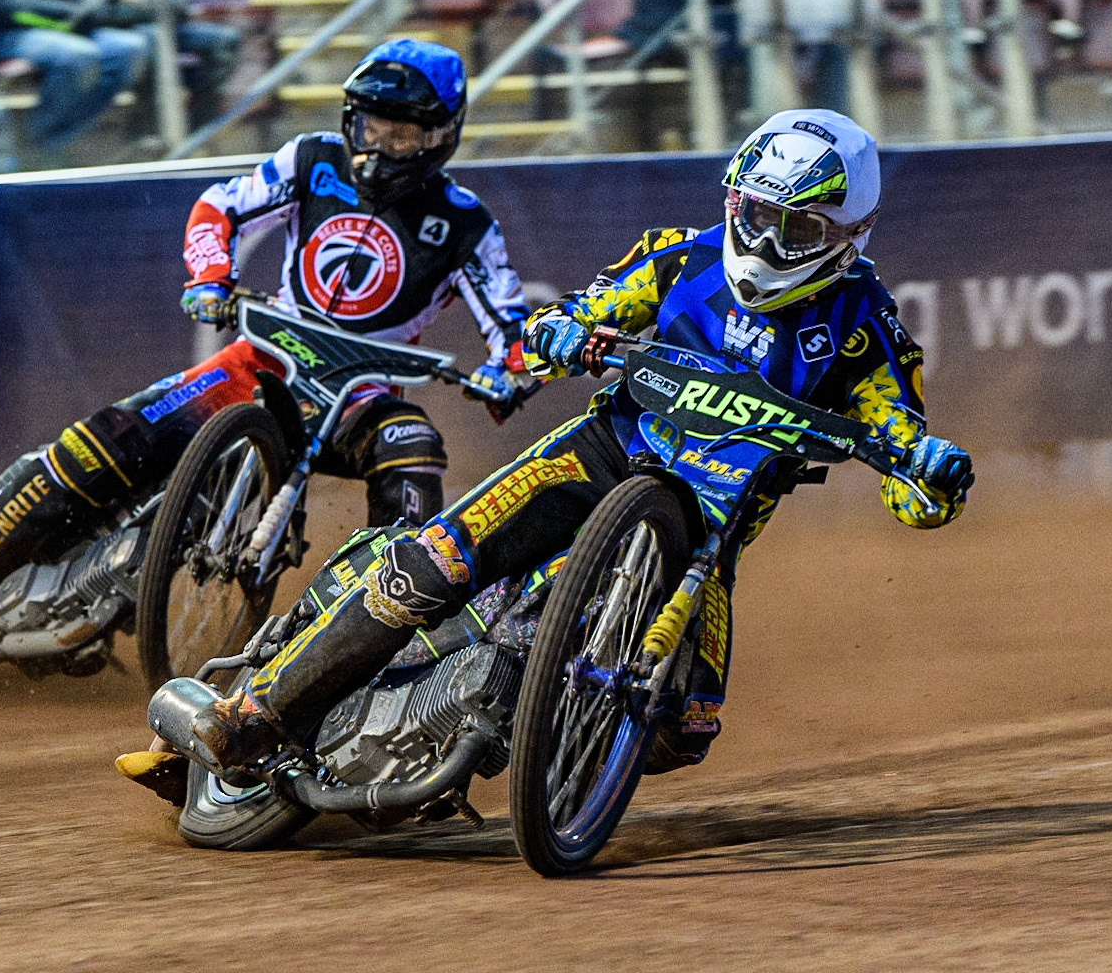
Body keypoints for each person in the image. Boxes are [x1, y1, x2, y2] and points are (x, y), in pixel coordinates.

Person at [170, 108, 975, 778]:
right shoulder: (678, 257)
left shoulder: (864, 326)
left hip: (709, 525)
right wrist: (559, 333)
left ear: (847, 233)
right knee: (435, 561)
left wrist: (928, 474)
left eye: (792, 227)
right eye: (754, 216)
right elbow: (572, 317)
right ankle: (256, 715)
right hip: (604, 451)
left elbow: (906, 463)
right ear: (733, 201)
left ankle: (541, 752)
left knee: (682, 730)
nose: (764, 244)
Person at [0, 39, 531, 643]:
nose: (378, 149)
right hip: (261, 364)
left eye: (401, 134)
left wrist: (511, 372)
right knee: (107, 439)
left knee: (413, 447)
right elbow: (219, 207)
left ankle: (377, 641)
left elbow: (511, 327)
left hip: (360, 397)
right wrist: (211, 275)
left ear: (442, 135)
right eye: (369, 128)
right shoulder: (309, 159)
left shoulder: (466, 224)